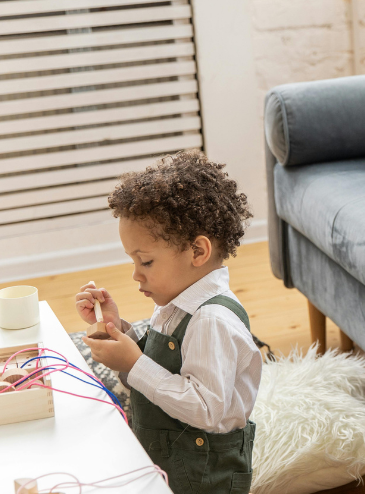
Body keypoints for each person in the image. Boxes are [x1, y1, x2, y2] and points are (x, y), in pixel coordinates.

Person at [75, 151, 260, 494]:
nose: (135, 274)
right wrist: (119, 330)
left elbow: (205, 410)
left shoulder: (211, 321)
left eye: (145, 261)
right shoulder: (176, 301)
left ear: (197, 252)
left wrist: (133, 362)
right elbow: (163, 365)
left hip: (203, 475)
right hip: (168, 459)